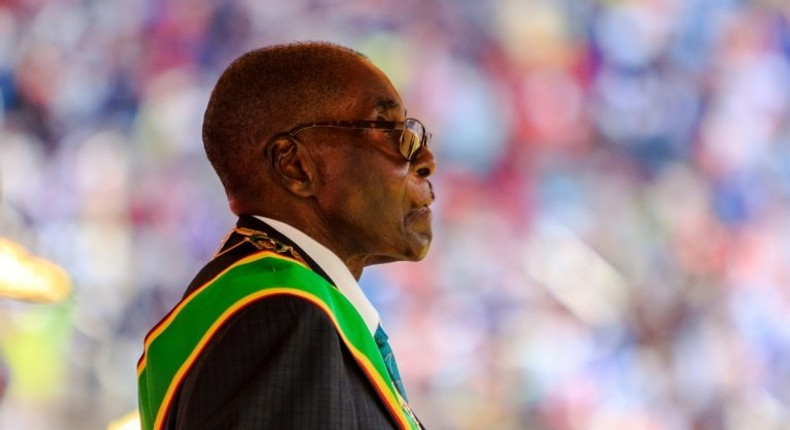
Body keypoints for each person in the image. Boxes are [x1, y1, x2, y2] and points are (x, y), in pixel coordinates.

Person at [137, 41, 436, 430]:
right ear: (295, 165)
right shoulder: (285, 316)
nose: (425, 160)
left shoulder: (256, 307)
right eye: (388, 130)